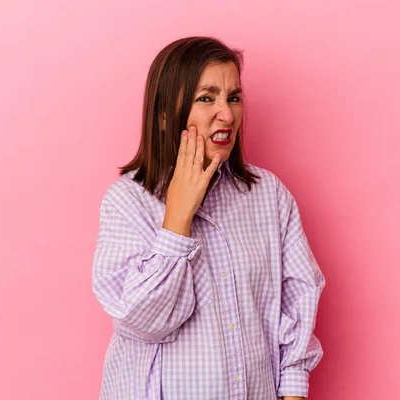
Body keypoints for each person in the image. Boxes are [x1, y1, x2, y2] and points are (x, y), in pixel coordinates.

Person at [92, 36, 325, 400]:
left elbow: (297, 298)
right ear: (166, 113)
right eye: (207, 98)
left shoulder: (268, 195)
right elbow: (143, 321)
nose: (227, 115)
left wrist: (292, 392)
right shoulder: (127, 202)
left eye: (233, 97)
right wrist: (178, 218)